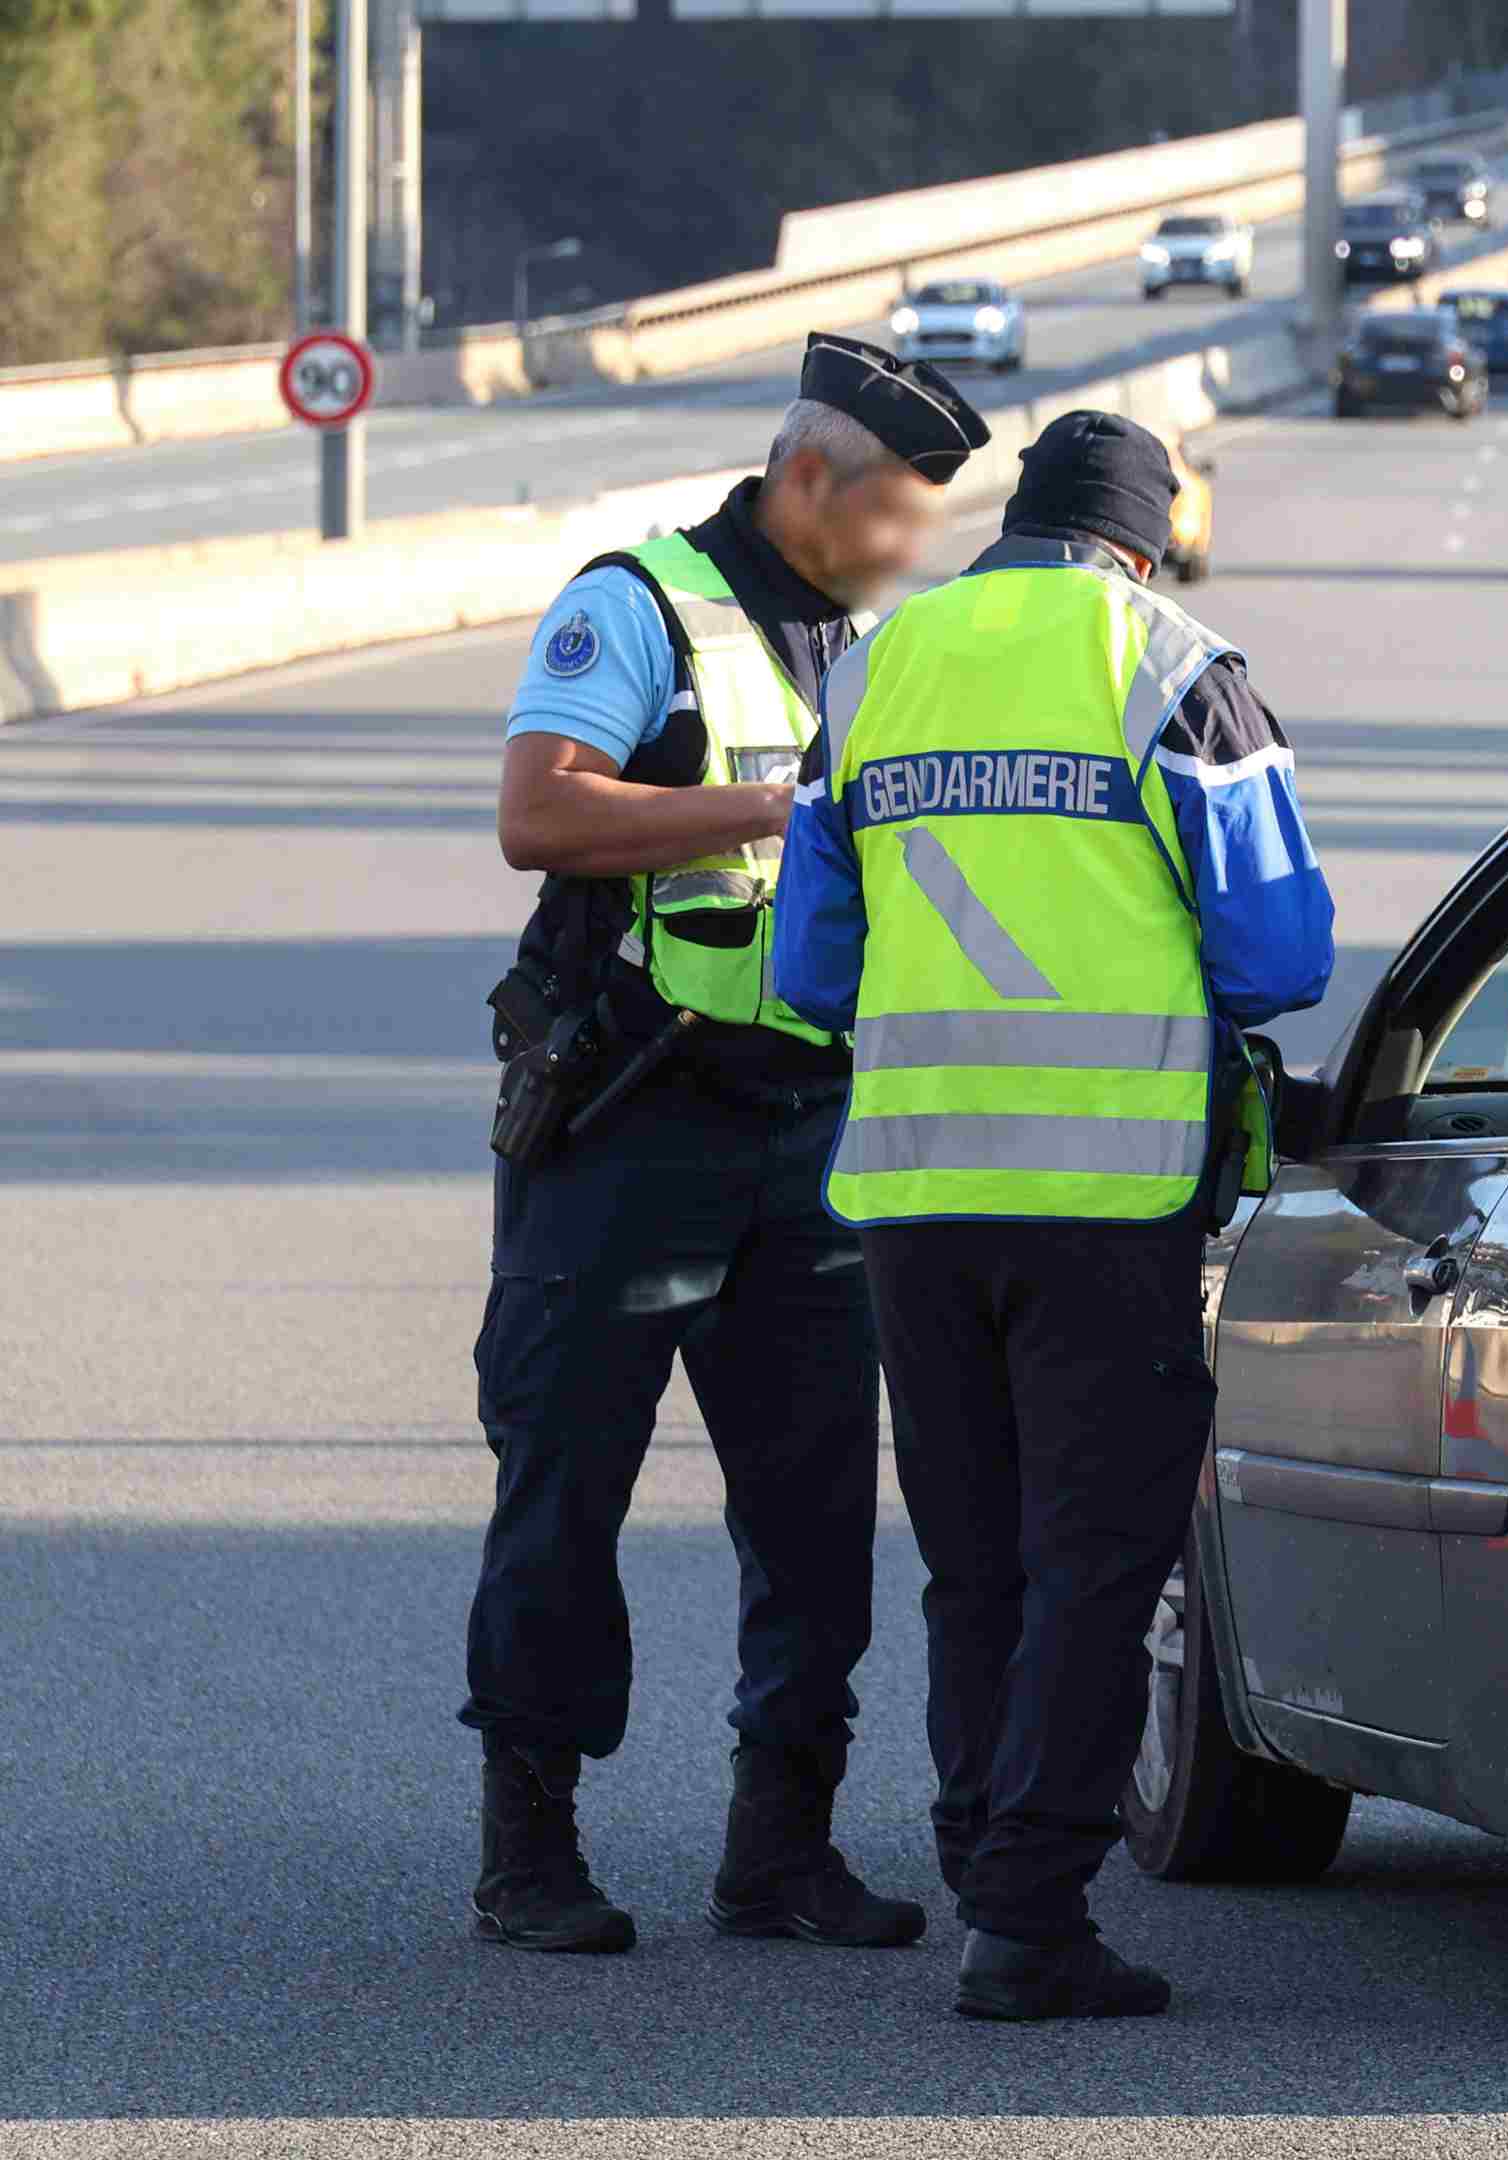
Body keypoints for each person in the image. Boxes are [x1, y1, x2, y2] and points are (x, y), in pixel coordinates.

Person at [772, 408, 1336, 2022]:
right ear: (1143, 541)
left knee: (975, 1561)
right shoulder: (1171, 664)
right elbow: (1277, 954)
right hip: (1108, 1194)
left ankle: (978, 1861)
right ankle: (1027, 1913)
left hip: (918, 1194)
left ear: (1021, 520)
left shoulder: (878, 669)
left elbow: (812, 967)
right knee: (1098, 1558)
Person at [464, 333, 988, 1958]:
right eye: (896, 512)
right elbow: (538, 813)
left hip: (812, 1130)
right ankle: (530, 1852)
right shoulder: (637, 601)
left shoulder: (881, 646)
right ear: (806, 475)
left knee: (819, 1512)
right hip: (632, 1120)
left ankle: (780, 1856)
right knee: (566, 1493)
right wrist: (769, 812)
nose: (913, 548)